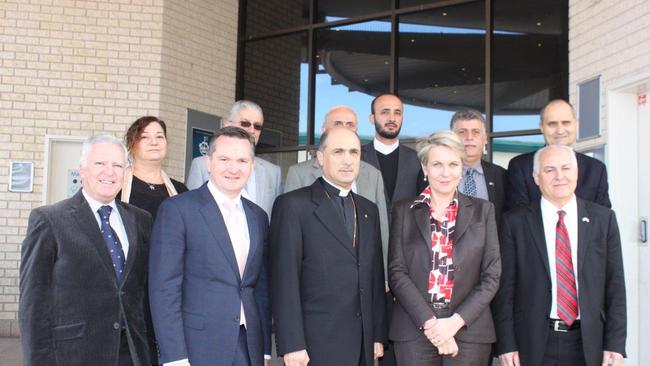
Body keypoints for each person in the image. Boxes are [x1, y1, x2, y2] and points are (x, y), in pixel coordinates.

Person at [19, 134, 153, 366]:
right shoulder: (49, 220)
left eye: (117, 165)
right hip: (74, 354)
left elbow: (143, 290)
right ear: (82, 169)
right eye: (100, 163)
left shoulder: (141, 220)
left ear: (126, 171)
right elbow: (33, 304)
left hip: (131, 353)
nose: (109, 172)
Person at [149, 127, 271, 366]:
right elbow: (164, 290)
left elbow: (261, 289)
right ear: (209, 162)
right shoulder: (178, 210)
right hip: (197, 347)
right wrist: (174, 357)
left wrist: (265, 349)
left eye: (242, 160)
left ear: (252, 166)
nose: (233, 168)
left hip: (249, 346)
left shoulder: (258, 216)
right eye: (224, 159)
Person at [493, 145, 626, 366]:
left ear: (577, 173)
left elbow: (615, 285)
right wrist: (506, 344)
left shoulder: (604, 220)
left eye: (566, 168)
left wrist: (615, 344)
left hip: (588, 343)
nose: (559, 176)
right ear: (536, 177)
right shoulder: (514, 223)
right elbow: (505, 289)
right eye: (549, 170)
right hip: (532, 344)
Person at [271, 127, 387, 366]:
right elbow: (285, 280)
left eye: (354, 152)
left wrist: (377, 335)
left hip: (362, 344)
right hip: (315, 344)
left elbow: (374, 275)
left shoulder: (368, 210)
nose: (347, 160)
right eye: (338, 152)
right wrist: (292, 344)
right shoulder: (293, 205)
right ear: (321, 158)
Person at [388, 131, 501, 366]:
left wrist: (453, 323)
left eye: (453, 164)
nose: (445, 172)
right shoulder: (403, 210)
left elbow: (491, 275)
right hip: (414, 329)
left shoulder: (484, 211)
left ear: (462, 168)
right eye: (437, 164)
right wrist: (431, 324)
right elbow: (397, 272)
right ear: (425, 167)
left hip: (469, 331)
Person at [284, 105, 390, 282]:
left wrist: (385, 276)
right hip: (318, 282)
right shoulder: (298, 173)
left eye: (350, 125)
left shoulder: (373, 174)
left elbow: (382, 231)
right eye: (338, 124)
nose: (344, 129)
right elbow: (289, 242)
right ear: (324, 130)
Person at [506, 99, 611, 210]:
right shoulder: (521, 166)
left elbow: (603, 219)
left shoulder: (596, 169)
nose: (560, 130)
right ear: (541, 127)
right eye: (552, 124)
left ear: (576, 124)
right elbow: (516, 217)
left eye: (566, 123)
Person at [186, 100, 281, 217]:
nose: (252, 130)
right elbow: (190, 213)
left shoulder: (273, 172)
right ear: (227, 124)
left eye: (257, 126)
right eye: (245, 123)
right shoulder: (202, 165)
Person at [362, 93, 426, 208]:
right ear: (372, 118)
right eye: (385, 112)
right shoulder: (357, 158)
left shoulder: (417, 159)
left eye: (397, 113)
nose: (392, 118)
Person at [120, 116, 188, 221]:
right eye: (145, 137)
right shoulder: (117, 185)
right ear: (131, 144)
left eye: (159, 137)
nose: (154, 142)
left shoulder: (180, 191)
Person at [450, 108, 508, 223]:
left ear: (485, 138)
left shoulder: (501, 175)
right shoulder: (438, 174)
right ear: (452, 137)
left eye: (476, 132)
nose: (469, 137)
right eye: (462, 132)